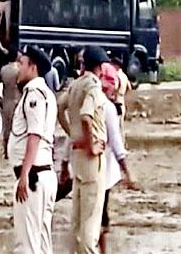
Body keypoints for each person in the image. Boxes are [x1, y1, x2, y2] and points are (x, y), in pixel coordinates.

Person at [57, 46, 110, 254]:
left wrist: (73, 135)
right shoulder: (93, 87)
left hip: (77, 157)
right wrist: (91, 144)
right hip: (91, 159)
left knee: (77, 227)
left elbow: (60, 109)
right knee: (89, 230)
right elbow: (87, 116)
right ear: (99, 67)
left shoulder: (75, 85)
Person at [8, 46, 57, 254]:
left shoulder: (34, 94)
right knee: (42, 243)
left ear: (33, 67)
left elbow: (34, 135)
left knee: (27, 245)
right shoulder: (47, 93)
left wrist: (25, 175)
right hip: (44, 173)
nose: (18, 68)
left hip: (33, 176)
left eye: (22, 64)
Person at [98, 62, 138, 254]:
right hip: (102, 171)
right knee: (101, 215)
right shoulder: (106, 106)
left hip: (90, 168)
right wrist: (127, 173)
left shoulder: (88, 99)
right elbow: (116, 144)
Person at [0, 49, 21, 159]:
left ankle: (6, 151)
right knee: (18, 127)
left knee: (7, 128)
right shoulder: (19, 70)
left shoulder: (3, 69)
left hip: (7, 100)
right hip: (18, 100)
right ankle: (16, 151)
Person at [111, 57, 131, 148]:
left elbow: (114, 88)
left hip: (116, 101)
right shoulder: (124, 76)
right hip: (122, 99)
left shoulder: (116, 76)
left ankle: (118, 146)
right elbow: (129, 88)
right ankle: (122, 144)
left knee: (115, 126)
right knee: (121, 125)